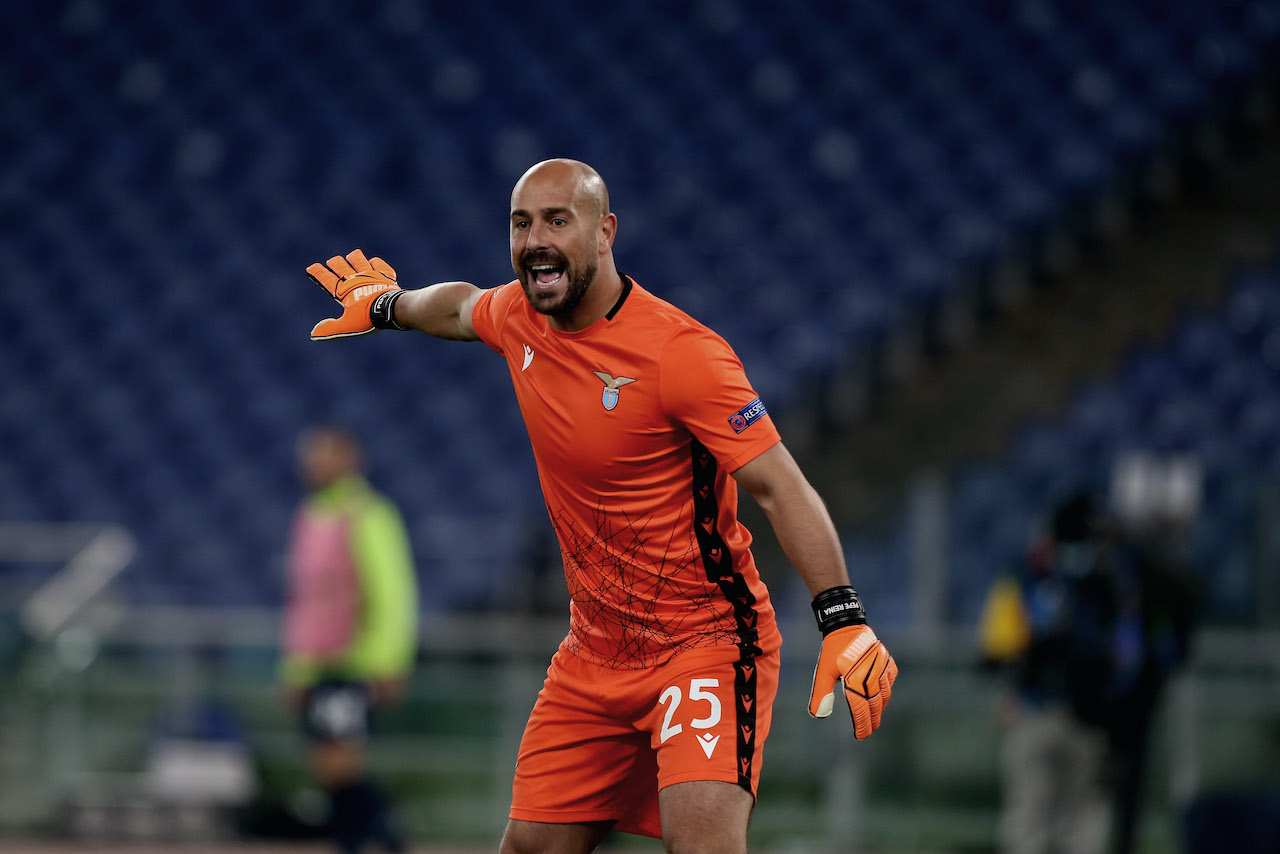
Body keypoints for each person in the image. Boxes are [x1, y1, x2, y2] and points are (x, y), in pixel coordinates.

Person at [304, 159, 898, 854]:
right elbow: (459, 307)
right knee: (531, 846)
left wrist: (843, 618)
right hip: (594, 653)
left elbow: (780, 486)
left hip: (702, 644)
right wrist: (386, 306)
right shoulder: (522, 319)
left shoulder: (681, 354)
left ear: (605, 231)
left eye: (558, 220)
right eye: (521, 223)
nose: (534, 240)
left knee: (701, 843)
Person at [281, 427, 419, 853]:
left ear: (349, 460)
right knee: (329, 770)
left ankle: (385, 837)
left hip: (355, 662)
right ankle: (372, 837)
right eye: (310, 455)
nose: (313, 464)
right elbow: (304, 601)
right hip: (320, 665)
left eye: (323, 455)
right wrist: (297, 668)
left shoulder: (369, 514)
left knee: (339, 768)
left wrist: (388, 662)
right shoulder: (310, 515)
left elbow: (393, 591)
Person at [979, 493, 1114, 854]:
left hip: (1069, 715)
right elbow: (995, 653)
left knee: (1059, 820)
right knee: (1049, 818)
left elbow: (994, 653)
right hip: (1047, 711)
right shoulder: (1029, 583)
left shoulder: (1100, 586)